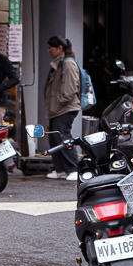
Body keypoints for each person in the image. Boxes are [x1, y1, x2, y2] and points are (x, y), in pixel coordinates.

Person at [44, 35, 81, 181]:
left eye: (50, 48)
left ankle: (73, 168)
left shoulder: (68, 63)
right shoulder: (59, 63)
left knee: (63, 137)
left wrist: (59, 101)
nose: (48, 51)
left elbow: (70, 89)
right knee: (55, 137)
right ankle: (60, 169)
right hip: (57, 108)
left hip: (65, 107)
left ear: (60, 48)